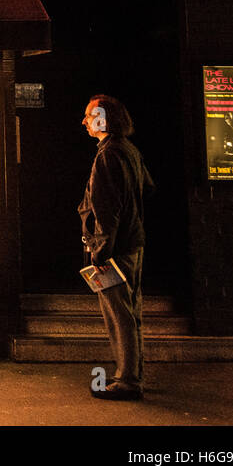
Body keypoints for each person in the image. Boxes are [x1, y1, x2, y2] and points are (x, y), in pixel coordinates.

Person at [78, 95, 154, 401]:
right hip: (133, 242)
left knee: (117, 314)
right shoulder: (129, 150)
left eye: (88, 115)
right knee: (131, 311)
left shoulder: (107, 155)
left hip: (116, 249)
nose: (84, 121)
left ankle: (126, 381)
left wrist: (100, 251)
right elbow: (147, 188)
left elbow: (108, 208)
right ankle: (133, 372)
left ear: (103, 119)